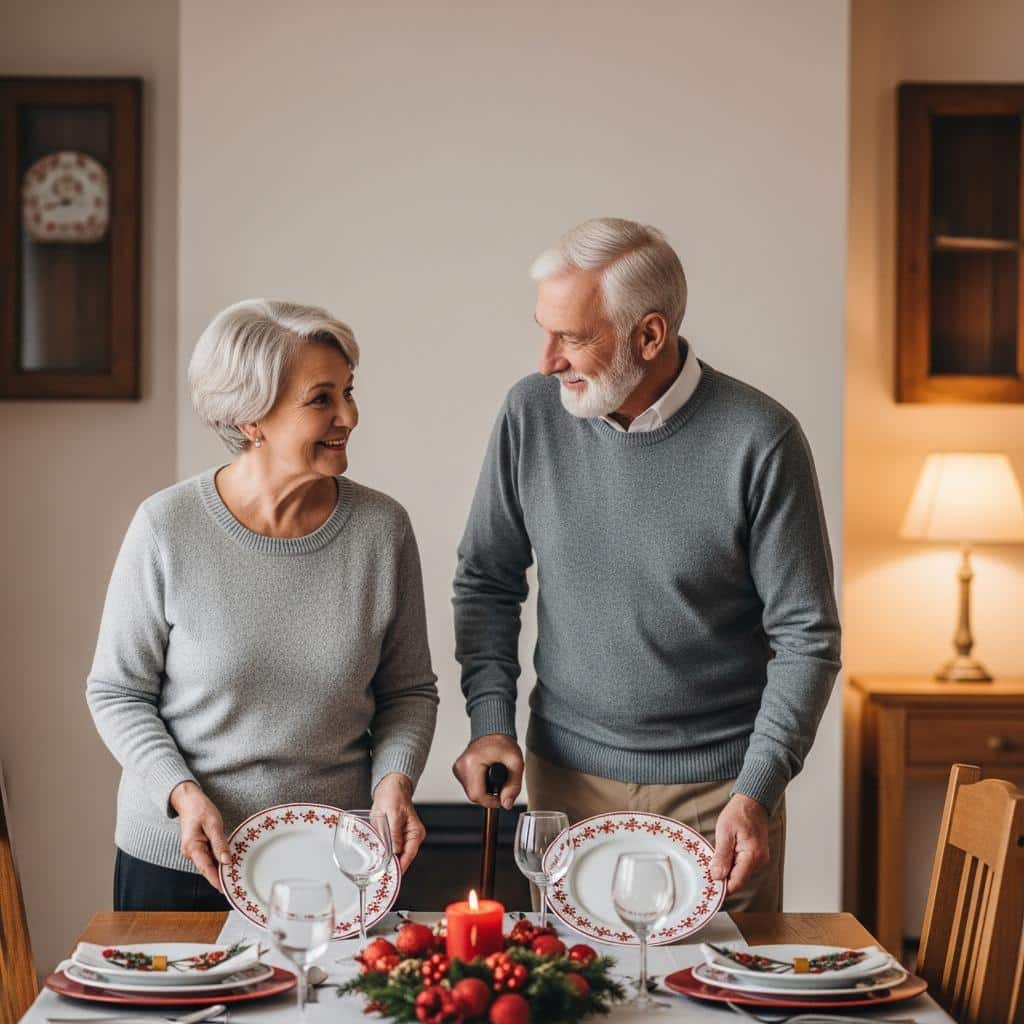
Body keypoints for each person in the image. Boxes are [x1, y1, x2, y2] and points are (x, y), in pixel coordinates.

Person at [452, 218, 841, 911]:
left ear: (650, 335)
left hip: (719, 801)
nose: (547, 360)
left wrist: (756, 791)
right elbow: (486, 581)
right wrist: (491, 720)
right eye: (546, 332)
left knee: (714, 1014)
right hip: (564, 788)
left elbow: (807, 638)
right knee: (576, 1008)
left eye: (571, 337)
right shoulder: (530, 414)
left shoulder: (761, 439)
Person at [87, 299, 438, 911]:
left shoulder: (381, 530)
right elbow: (117, 691)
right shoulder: (167, 526)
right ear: (251, 418)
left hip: (330, 860)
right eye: (321, 398)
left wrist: (394, 781)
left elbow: (408, 691)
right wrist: (182, 794)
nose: (348, 415)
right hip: (182, 859)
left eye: (349, 392)